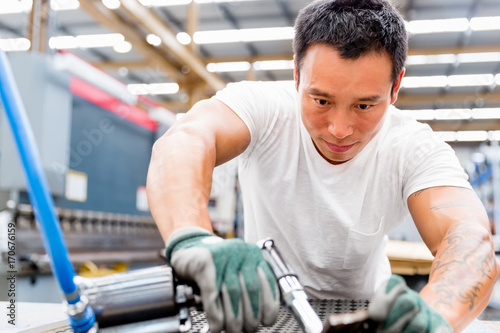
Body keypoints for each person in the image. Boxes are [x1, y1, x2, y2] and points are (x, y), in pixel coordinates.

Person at [147, 0, 499, 332]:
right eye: (321, 100)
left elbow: (468, 236)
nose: (340, 129)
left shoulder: (412, 145)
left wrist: (435, 316)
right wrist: (193, 237)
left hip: (367, 314)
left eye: (364, 106)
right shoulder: (263, 108)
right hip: (264, 309)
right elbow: (185, 140)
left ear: (395, 88)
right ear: (297, 76)